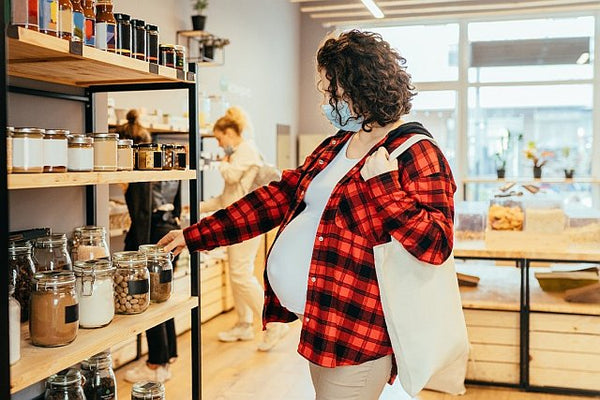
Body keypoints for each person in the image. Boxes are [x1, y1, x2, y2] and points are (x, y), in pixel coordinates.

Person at [159, 30, 456, 399]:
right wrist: (196, 235)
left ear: (360, 86)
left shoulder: (416, 152)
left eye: (331, 89)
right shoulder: (336, 145)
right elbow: (276, 199)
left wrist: (383, 187)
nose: (327, 101)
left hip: (359, 335)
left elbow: (437, 244)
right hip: (321, 325)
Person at [201, 107, 290, 350]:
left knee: (240, 275)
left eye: (220, 139)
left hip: (246, 221)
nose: (220, 145)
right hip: (235, 220)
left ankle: (275, 323)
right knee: (238, 274)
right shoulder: (238, 155)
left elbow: (231, 179)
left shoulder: (246, 151)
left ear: (230, 133)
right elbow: (227, 197)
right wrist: (198, 207)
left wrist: (222, 163)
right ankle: (243, 323)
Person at [119, 110, 180, 383]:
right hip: (169, 230)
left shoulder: (139, 166)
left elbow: (143, 213)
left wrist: (140, 253)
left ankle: (156, 364)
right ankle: (167, 357)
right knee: (162, 296)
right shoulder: (164, 162)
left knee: (149, 300)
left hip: (152, 236)